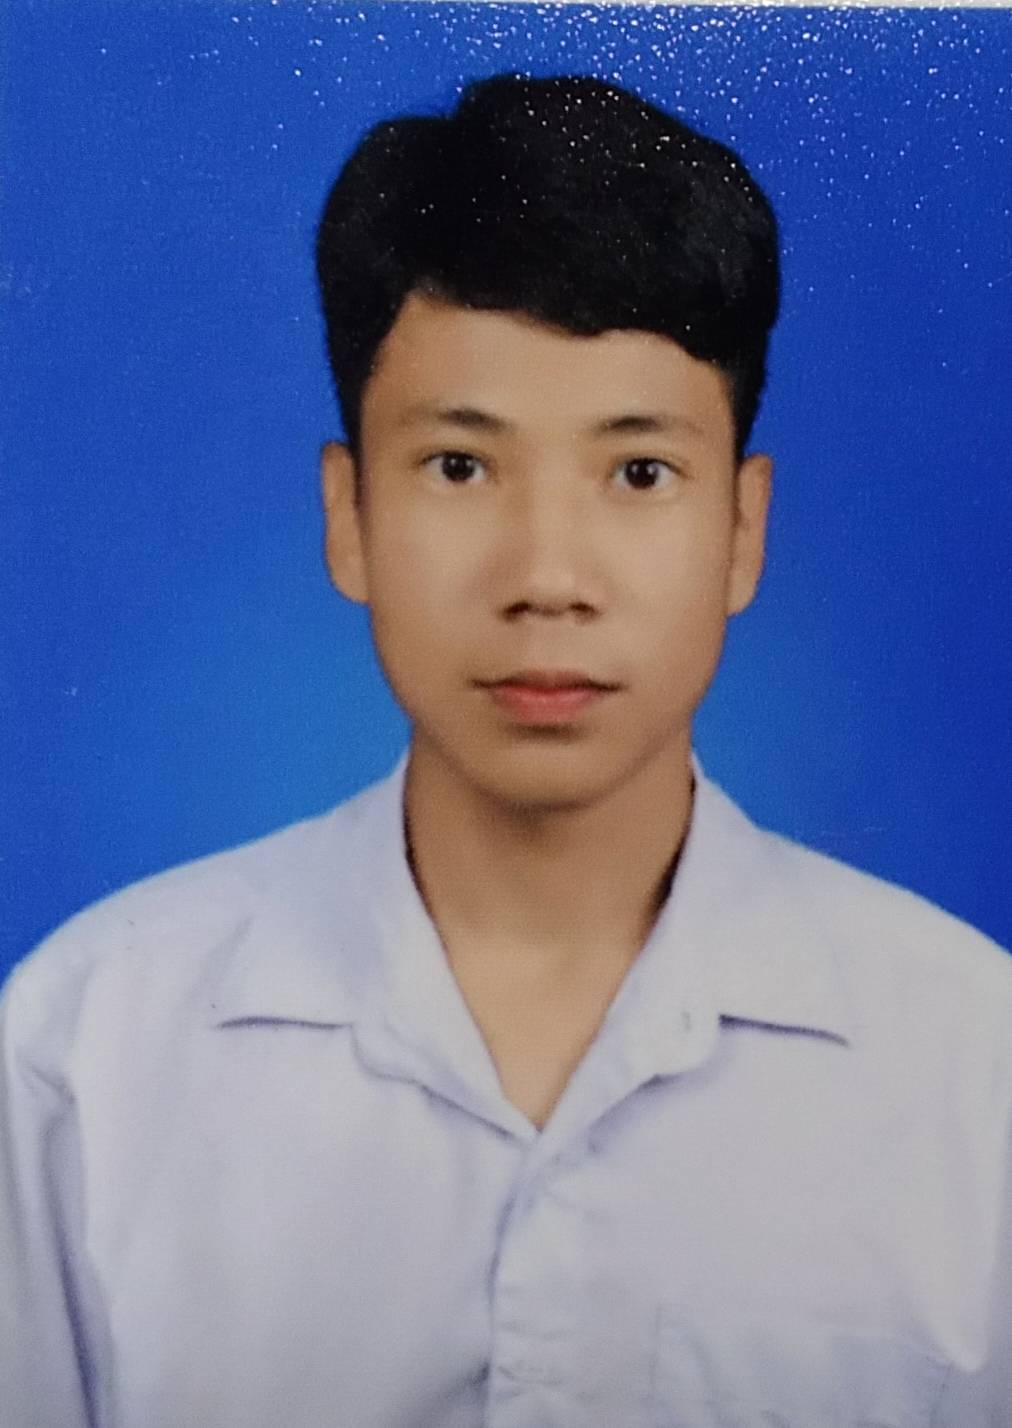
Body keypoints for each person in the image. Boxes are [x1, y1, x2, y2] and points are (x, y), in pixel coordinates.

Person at [1, 72, 1010, 1428]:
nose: (547, 579)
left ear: (743, 530)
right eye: (461, 467)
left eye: (639, 472)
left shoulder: (972, 1065)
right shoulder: (89, 1050)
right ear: (348, 516)